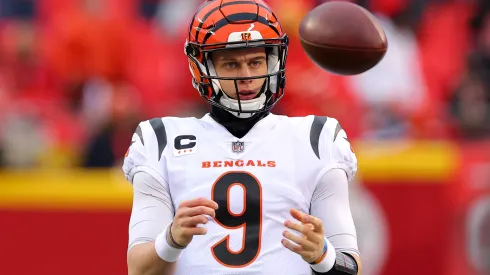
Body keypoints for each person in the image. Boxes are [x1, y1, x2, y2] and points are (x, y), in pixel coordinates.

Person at [123, 0, 363, 274]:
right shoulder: (160, 140)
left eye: (256, 61)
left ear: (274, 60)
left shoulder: (316, 139)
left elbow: (351, 268)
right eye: (231, 64)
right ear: (202, 67)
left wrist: (324, 256)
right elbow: (138, 269)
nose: (247, 75)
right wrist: (171, 239)